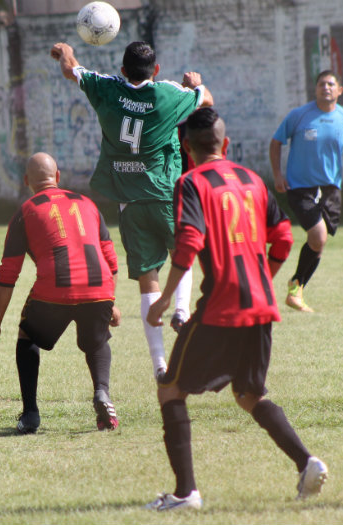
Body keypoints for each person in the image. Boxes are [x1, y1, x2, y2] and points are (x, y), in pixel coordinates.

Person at [145, 108, 328, 511]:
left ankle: (184, 494)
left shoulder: (190, 182)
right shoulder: (252, 179)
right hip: (261, 307)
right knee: (248, 394)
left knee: (171, 388)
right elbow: (282, 238)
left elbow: (190, 240)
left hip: (221, 306)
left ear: (186, 148)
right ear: (225, 145)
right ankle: (307, 462)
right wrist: (264, 277)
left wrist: (162, 299)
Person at [51, 40, 213, 380]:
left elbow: (70, 68)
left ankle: (159, 363)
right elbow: (206, 100)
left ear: (123, 70)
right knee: (182, 254)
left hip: (129, 202)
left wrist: (65, 49)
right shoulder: (168, 95)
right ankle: (181, 311)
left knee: (147, 277)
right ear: (154, 70)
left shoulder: (105, 89)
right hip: (165, 194)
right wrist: (195, 85)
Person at [0, 152, 121, 434]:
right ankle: (102, 393)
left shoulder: (25, 211)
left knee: (27, 337)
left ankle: (31, 413)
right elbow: (111, 259)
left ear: (26, 182)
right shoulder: (88, 204)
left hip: (54, 291)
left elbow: (8, 275)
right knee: (96, 342)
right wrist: (112, 303)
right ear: (58, 177)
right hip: (99, 287)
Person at [269, 69, 343, 312]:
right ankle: (296, 286)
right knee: (318, 236)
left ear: (340, 90)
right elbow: (276, 142)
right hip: (300, 187)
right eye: (322, 84)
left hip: (331, 189)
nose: (326, 88)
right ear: (315, 89)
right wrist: (277, 174)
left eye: (331, 84)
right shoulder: (300, 116)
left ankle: (296, 287)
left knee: (318, 243)